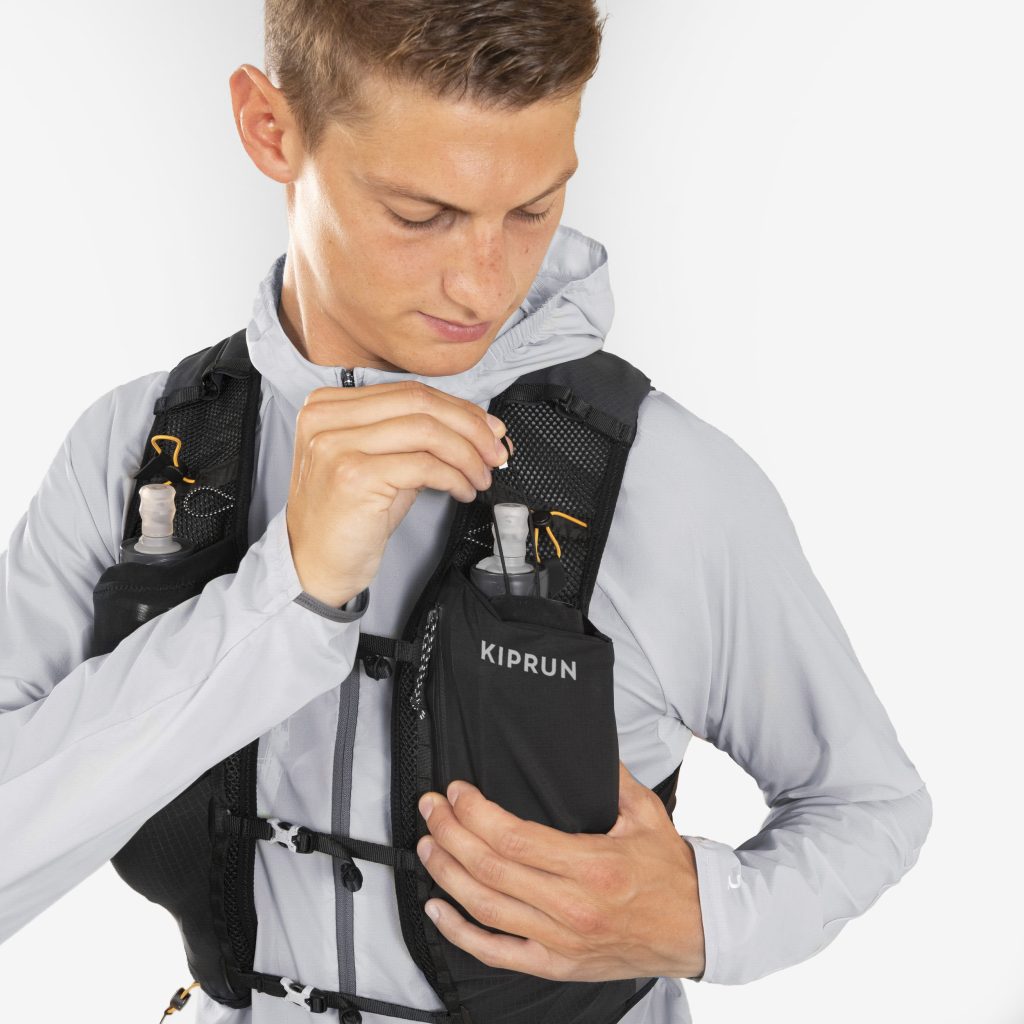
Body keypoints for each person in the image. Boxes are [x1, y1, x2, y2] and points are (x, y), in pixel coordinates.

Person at [0, 2, 932, 1021]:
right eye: (420, 214)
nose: (483, 283)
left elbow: (869, 805)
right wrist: (285, 592)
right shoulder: (137, 454)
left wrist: (708, 918)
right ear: (271, 129)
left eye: (533, 208)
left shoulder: (662, 476)